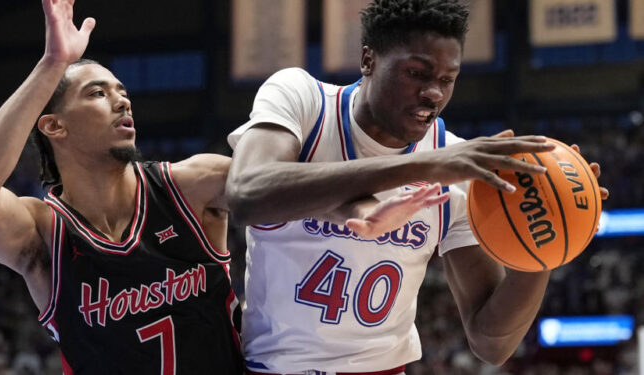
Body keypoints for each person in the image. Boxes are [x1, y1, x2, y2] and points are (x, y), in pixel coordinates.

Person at [226, 0, 608, 374]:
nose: (434, 94)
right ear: (368, 60)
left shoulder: (457, 166)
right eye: (416, 73)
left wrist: (546, 245)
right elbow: (246, 193)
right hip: (272, 366)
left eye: (447, 80)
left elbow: (491, 343)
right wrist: (422, 165)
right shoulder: (303, 100)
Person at [0, 1, 242, 373]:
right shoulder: (44, 233)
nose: (123, 100)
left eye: (122, 91)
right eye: (98, 93)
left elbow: (277, 186)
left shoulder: (189, 185)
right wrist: (53, 63)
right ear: (55, 127)